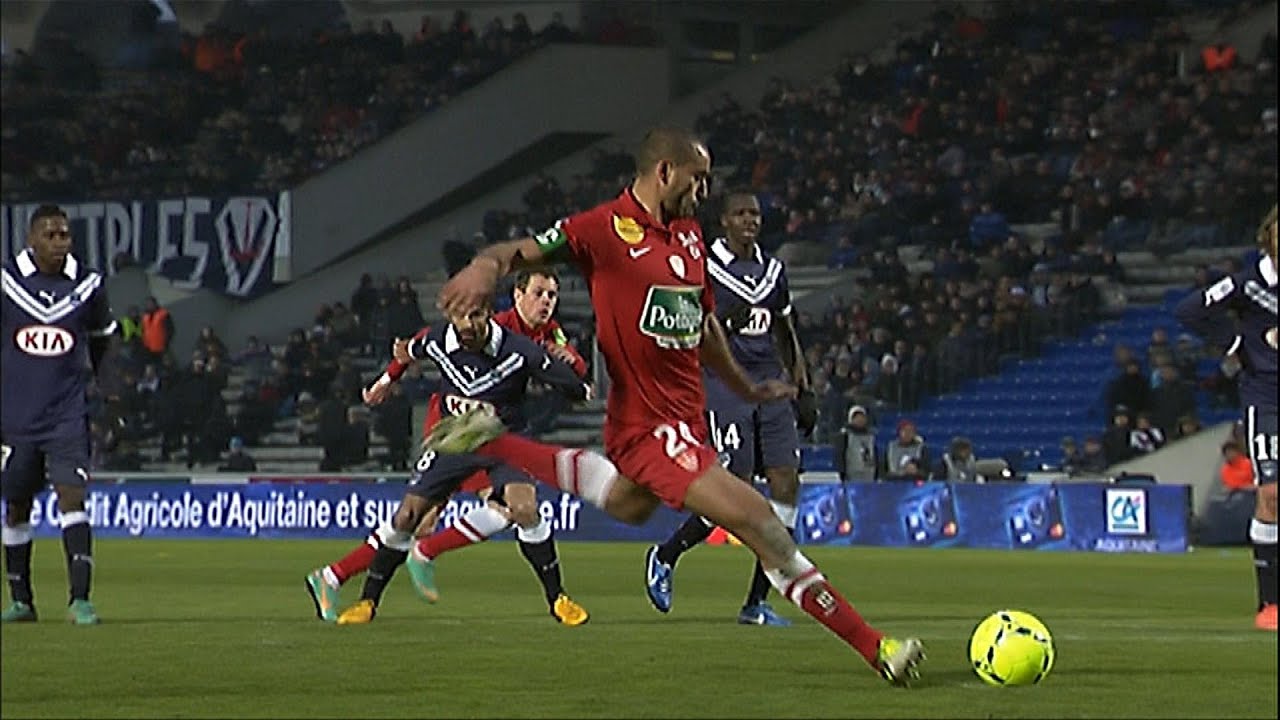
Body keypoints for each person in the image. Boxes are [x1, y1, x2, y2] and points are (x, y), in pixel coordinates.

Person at [423, 127, 925, 684]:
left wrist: (745, 386)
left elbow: (705, 323)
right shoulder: (601, 230)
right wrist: (483, 268)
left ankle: (497, 442)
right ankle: (878, 648)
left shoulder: (687, 235)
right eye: (697, 178)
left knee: (630, 504)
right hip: (648, 427)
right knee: (762, 522)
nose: (703, 191)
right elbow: (514, 252)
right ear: (665, 171)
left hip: (686, 421)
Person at [306, 301, 593, 626]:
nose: (547, 302)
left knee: (520, 508)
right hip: (454, 437)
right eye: (540, 293)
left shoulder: (532, 341)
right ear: (517, 295)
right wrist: (384, 382)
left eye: (552, 294)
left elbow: (572, 375)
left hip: (503, 441)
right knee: (414, 517)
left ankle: (558, 599)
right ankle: (359, 591)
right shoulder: (445, 339)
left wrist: (579, 384)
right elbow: (406, 350)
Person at [642, 188, 817, 627]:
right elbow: (683, 325)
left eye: (754, 214)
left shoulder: (773, 271)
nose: (749, 221)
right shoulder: (704, 267)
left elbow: (785, 328)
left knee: (786, 484)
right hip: (725, 384)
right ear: (724, 221)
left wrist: (803, 385)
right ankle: (666, 554)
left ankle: (757, 601)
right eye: (740, 214)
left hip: (771, 382)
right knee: (735, 488)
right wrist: (719, 326)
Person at [1, 205, 116, 624]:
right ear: (31, 239)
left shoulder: (88, 285)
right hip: (14, 416)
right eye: (50, 235)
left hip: (66, 414)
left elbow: (103, 342)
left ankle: (80, 599)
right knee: (16, 505)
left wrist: (111, 394)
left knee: (73, 496)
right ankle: (21, 601)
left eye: (64, 235)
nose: (59, 242)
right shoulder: (6, 282)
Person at [1174, 204, 1277, 632]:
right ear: (1269, 238)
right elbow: (1191, 310)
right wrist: (1234, 342)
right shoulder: (1248, 284)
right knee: (1272, 495)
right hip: (1268, 398)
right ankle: (1270, 603)